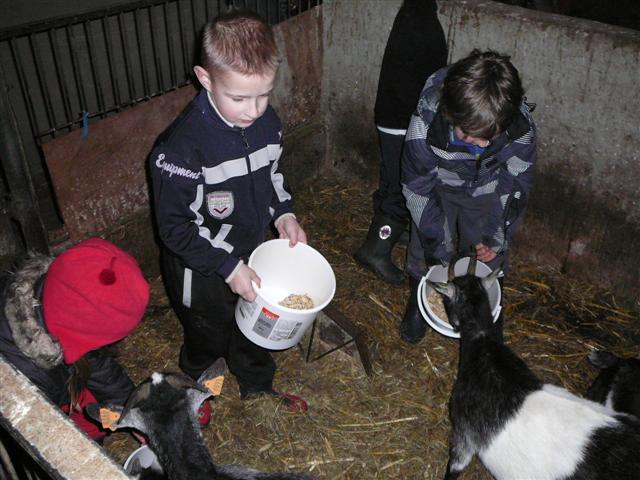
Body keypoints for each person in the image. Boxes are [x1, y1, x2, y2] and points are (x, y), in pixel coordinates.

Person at [149, 10, 308, 416]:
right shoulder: (182, 149)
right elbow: (175, 228)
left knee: (254, 318)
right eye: (239, 98)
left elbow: (273, 175)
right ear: (205, 79)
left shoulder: (266, 123)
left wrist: (284, 214)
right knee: (208, 330)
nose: (253, 110)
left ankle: (256, 383)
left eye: (263, 94)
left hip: (251, 251)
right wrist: (227, 266)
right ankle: (199, 390)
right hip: (200, 266)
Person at [400, 49, 537, 343]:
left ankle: (489, 313)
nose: (482, 144)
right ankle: (419, 296)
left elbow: (515, 186)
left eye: (490, 136)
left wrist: (497, 238)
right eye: (470, 136)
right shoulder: (427, 122)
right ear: (451, 115)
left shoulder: (519, 128)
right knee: (425, 246)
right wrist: (440, 247)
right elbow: (417, 188)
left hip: (488, 188)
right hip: (437, 187)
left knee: (488, 256)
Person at [0, 237, 150, 442]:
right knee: (88, 423)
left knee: (95, 406)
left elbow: (97, 361)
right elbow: (39, 437)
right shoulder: (22, 380)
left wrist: (133, 415)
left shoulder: (56, 295)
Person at [354, 0, 448, 285]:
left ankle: (387, 229)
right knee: (400, 184)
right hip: (402, 121)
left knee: (391, 178)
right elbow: (428, 82)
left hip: (393, 116)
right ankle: (375, 251)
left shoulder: (412, 16)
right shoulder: (422, 25)